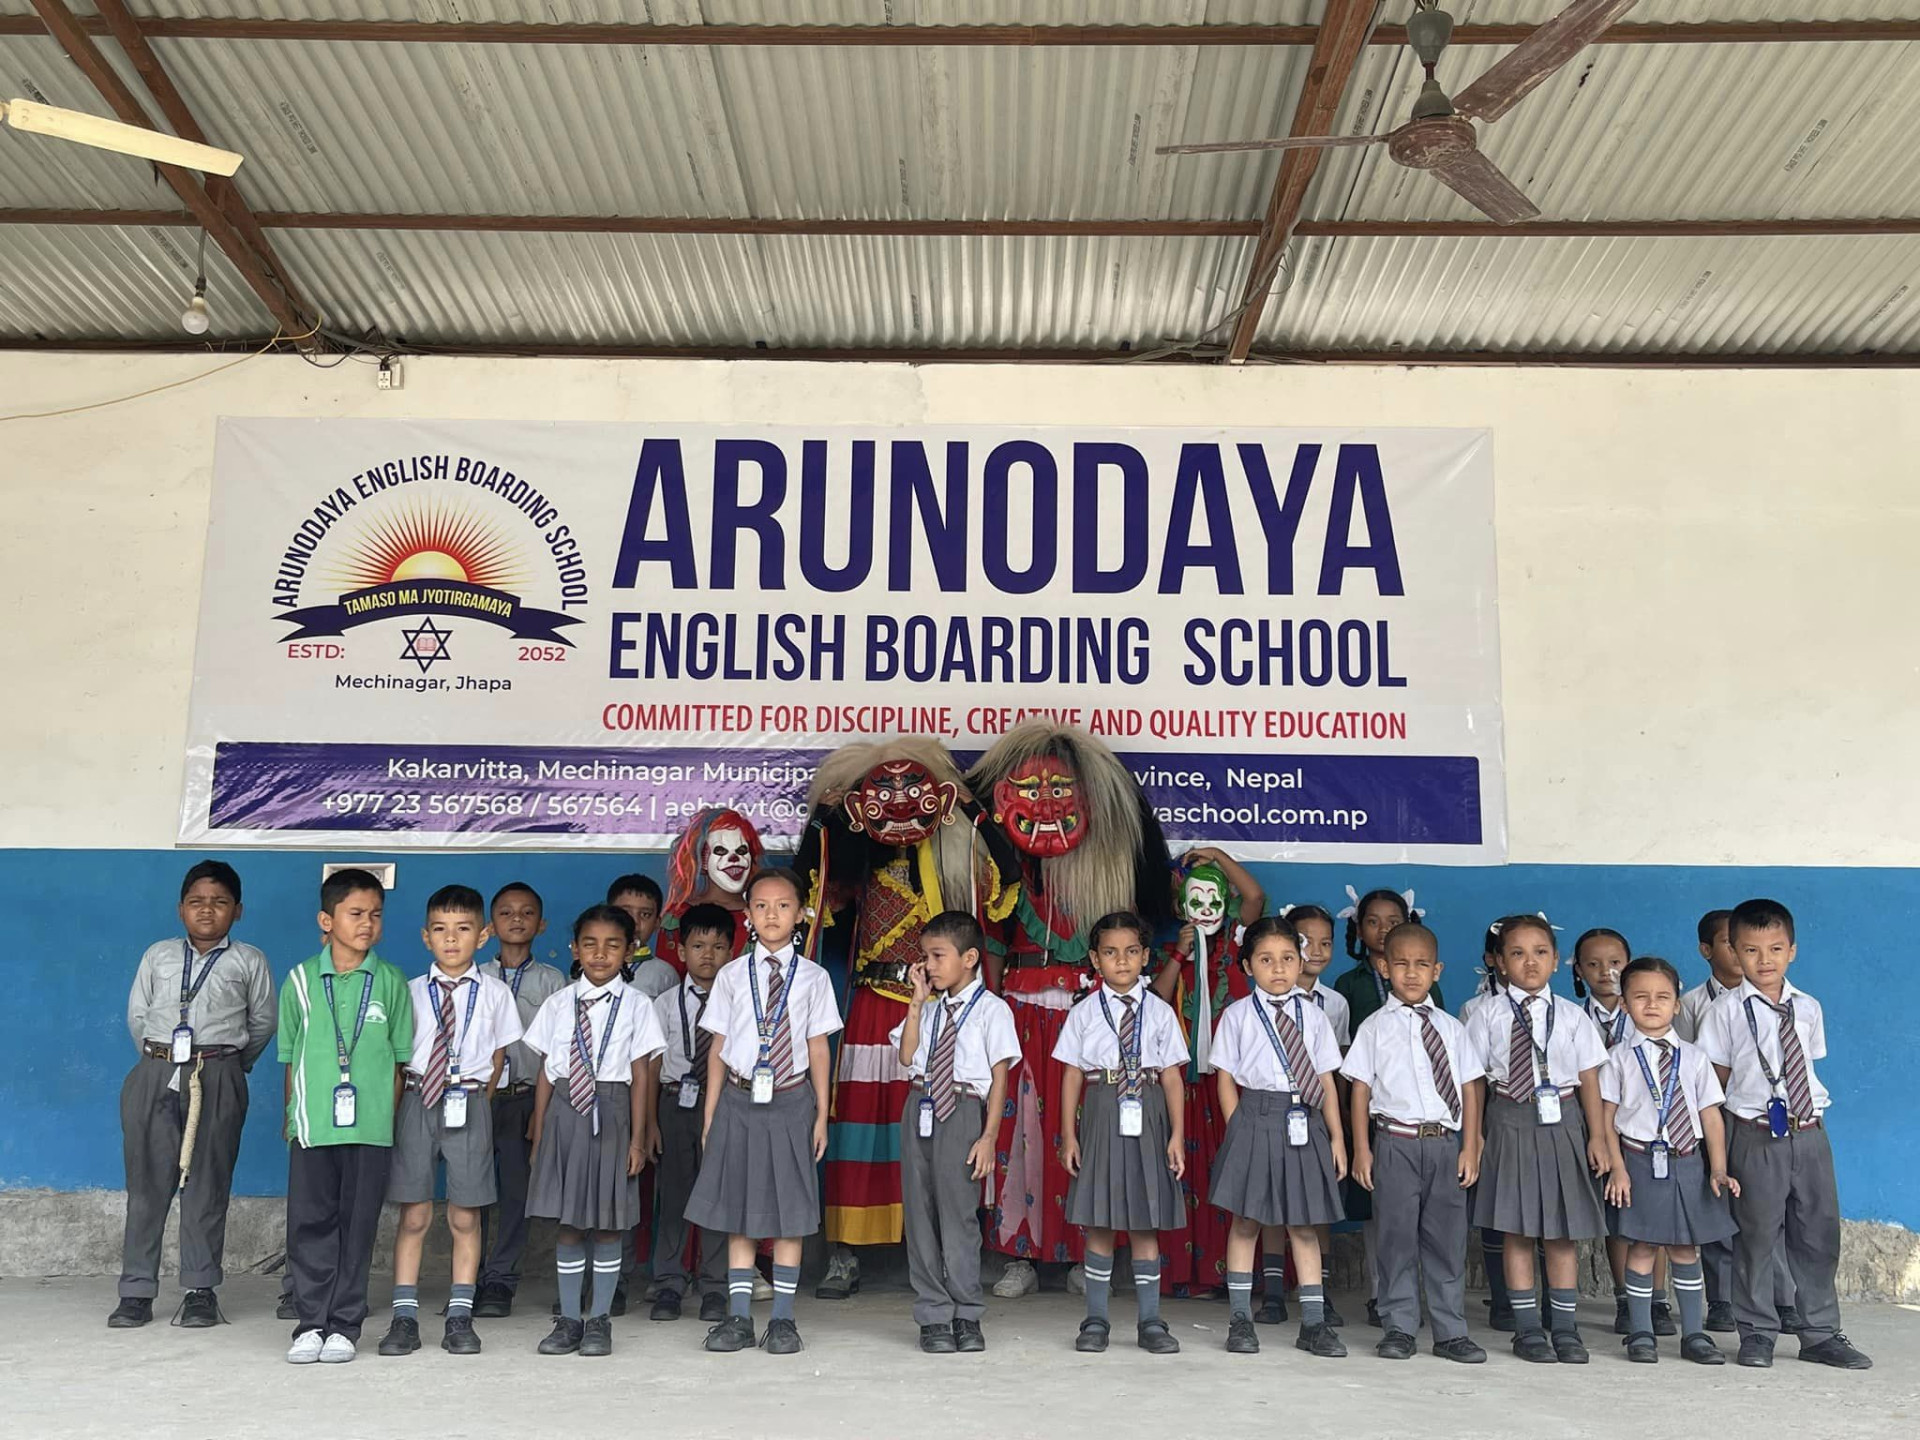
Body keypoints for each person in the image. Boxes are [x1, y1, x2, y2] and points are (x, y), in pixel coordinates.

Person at [796, 738, 1017, 1301]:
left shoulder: (955, 857)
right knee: (860, 1129)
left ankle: (943, 1257)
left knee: (941, 1133)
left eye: (912, 793)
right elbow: (808, 891)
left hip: (941, 1010)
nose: (900, 806)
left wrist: (971, 810)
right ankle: (845, 1252)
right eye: (885, 794)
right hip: (875, 1004)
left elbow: (1007, 884)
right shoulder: (856, 857)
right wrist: (827, 818)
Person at [965, 722, 1172, 1298]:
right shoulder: (1007, 867)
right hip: (1021, 1011)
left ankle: (1089, 1253)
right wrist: (989, 1009)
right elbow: (993, 943)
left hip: (1088, 1016)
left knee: (1085, 1129)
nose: (1049, 808)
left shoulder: (1112, 869)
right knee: (1020, 1132)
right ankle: (1019, 1253)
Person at [1699, 898, 1871, 1370]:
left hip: (1809, 1132)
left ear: (1792, 950)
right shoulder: (1724, 1012)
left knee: (1818, 1234)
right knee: (1755, 1237)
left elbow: (1808, 1065)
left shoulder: (1808, 1007)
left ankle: (1820, 1333)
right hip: (1753, 1134)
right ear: (1734, 951)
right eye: (1751, 950)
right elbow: (1714, 1084)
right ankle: (1756, 1332)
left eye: (1775, 949)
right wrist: (1717, 1149)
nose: (1764, 960)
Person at [111, 860, 275, 1330]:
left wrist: (229, 1067)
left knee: (208, 1183)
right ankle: (136, 1291)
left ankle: (200, 1290)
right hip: (157, 1070)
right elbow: (138, 1016)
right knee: (147, 1185)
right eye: (197, 902)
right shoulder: (158, 955)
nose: (207, 910)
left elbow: (263, 1022)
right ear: (181, 908)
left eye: (220, 902)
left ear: (237, 910)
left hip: (218, 1072)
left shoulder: (249, 960)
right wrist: (160, 1060)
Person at [688, 870, 842, 1356]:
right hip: (737, 1100)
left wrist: (821, 1113)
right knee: (740, 1211)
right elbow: (718, 1047)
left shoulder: (814, 978)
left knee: (790, 1213)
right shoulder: (732, 975)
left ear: (801, 914)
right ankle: (737, 1318)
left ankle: (782, 1320)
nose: (772, 914)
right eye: (761, 906)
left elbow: (818, 1047)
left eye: (783, 906)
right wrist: (711, 1114)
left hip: (792, 1099)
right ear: (748, 916)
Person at [375, 885, 522, 1357]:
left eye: (462, 929)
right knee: (414, 1214)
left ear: (483, 935)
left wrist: (477, 1100)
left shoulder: (496, 993)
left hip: (470, 1101)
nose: (451, 939)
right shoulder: (409, 991)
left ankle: (460, 1315)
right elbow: (398, 1058)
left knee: (465, 1214)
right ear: (426, 937)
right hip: (417, 1099)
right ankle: (404, 1317)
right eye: (440, 929)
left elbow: (498, 1059)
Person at [278, 868, 414, 1365]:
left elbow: (399, 1063)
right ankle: (310, 1324)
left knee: (358, 1226)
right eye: (355, 913)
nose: (367, 924)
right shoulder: (299, 980)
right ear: (326, 920)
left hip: (371, 1128)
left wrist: (386, 1121)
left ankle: (344, 1325)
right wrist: (293, 1117)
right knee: (310, 1223)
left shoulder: (391, 981)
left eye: (376, 914)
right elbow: (290, 1058)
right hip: (314, 1124)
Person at [522, 906, 666, 1357]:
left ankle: (600, 1319)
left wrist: (638, 1139)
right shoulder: (558, 1003)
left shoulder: (637, 1005)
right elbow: (546, 1072)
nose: (600, 954)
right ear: (574, 949)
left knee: (607, 1224)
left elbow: (641, 1075)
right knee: (568, 1223)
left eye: (612, 945)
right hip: (565, 1112)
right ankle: (569, 1319)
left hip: (614, 1110)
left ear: (630, 951)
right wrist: (539, 1132)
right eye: (590, 944)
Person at [1466, 914, 1609, 1364]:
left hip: (1563, 1120)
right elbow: (1473, 1083)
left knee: (1562, 1232)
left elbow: (1589, 1080)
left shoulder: (1572, 1016)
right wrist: (1475, 1138)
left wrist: (1598, 1137)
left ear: (1556, 960)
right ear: (1500, 962)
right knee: (1517, 1229)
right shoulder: (1485, 1015)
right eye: (1517, 953)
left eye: (1540, 952)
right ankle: (1527, 1329)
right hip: (1507, 1117)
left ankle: (1565, 1328)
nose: (1530, 962)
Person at [1344, 922, 1487, 1363]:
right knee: (1395, 1239)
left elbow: (1469, 1087)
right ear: (1384, 967)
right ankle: (1400, 1327)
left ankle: (1451, 1332)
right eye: (1401, 963)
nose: (1411, 973)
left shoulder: (1452, 1028)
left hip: (1444, 1144)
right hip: (1395, 1143)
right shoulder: (1374, 1028)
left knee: (1447, 1241)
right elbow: (1360, 1090)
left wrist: (1470, 1145)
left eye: (1422, 964)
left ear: (1437, 971)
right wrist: (1362, 1149)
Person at [1208, 917, 1348, 1359]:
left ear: (1300, 962)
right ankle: (1239, 1320)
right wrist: (1237, 1126)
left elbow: (1325, 1080)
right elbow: (1225, 1078)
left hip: (1305, 1119)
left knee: (1303, 1224)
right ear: (1248, 966)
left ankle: (1313, 1324)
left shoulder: (1315, 1016)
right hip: (1255, 1116)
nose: (1279, 968)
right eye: (1266, 960)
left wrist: (1337, 1138)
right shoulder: (1237, 1015)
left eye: (1288, 958)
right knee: (1246, 1221)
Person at [1054, 911, 1188, 1354]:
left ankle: (1151, 1322)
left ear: (1146, 956)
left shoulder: (1161, 1012)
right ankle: (1095, 1320)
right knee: (1100, 1218)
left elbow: (1172, 1077)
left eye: (1131, 952)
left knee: (1146, 1220)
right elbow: (1072, 1074)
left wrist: (1176, 1134)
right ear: (1095, 960)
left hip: (1148, 1111)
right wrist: (1069, 1135)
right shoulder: (1084, 1013)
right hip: (1101, 1107)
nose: (1122, 961)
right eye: (1110, 953)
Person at [892, 910, 1020, 1353]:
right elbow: (906, 1057)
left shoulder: (992, 1010)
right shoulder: (928, 1010)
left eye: (937, 956)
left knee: (959, 1215)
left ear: (969, 958)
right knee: (920, 1213)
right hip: (920, 1105)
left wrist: (989, 1136)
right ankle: (933, 1314)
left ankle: (966, 1312)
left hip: (963, 1109)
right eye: (925, 956)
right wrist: (915, 1003)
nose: (928, 965)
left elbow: (1000, 1078)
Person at [1601, 955, 1738, 1365]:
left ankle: (1694, 1334)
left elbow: (1710, 1116)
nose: (1652, 1004)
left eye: (1662, 997)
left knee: (1685, 1248)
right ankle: (1641, 1332)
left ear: (1677, 1005)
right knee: (1643, 1246)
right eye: (1640, 996)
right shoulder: (1618, 1058)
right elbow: (1606, 1120)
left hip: (1688, 1161)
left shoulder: (1694, 1058)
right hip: (1639, 1161)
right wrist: (1617, 1168)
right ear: (1624, 1003)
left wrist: (1718, 1167)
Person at [1676, 907, 1797, 1333]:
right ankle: (1723, 1298)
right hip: (1717, 1116)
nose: (1747, 954)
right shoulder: (1693, 1005)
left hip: (1767, 1120)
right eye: (1733, 944)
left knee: (1770, 1213)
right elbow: (1688, 1065)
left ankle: (1783, 1299)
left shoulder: (1789, 1003)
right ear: (1707, 950)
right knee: (1720, 1206)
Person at [1150, 849, 1262, 1297]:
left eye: (1214, 898)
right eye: (1195, 899)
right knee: (1186, 1174)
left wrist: (1217, 855)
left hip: (1230, 1080)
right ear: (1181, 906)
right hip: (1186, 1084)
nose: (1206, 908)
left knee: (1231, 1170)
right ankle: (1185, 1274)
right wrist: (1180, 953)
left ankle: (1231, 1274)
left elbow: (1254, 896)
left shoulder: (1238, 942)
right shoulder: (1170, 951)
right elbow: (1157, 1001)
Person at [475, 882, 567, 1318]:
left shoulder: (553, 982)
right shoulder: (474, 975)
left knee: (515, 1193)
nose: (517, 919)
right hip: (477, 1097)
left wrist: (542, 1115)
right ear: (490, 926)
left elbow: (555, 1051)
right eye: (506, 912)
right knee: (472, 1190)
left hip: (525, 1098)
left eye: (527, 913)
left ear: (541, 925)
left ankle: (500, 1280)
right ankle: (468, 1276)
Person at [1572, 926, 1668, 1337]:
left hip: (1643, 1132)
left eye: (1615, 963)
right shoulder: (1572, 1018)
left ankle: (1658, 1301)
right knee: (1618, 1217)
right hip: (1589, 1128)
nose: (1605, 972)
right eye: (1593, 964)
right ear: (1577, 970)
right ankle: (1626, 1298)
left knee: (1653, 1217)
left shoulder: (1650, 1015)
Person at [648, 903, 735, 1324]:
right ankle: (668, 1282)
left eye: (718, 947)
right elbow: (650, 1065)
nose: (708, 955)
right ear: (681, 951)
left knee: (718, 1193)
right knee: (674, 1193)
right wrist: (650, 1123)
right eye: (698, 946)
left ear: (731, 953)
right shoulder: (664, 1004)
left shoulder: (738, 1003)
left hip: (723, 1102)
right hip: (674, 1103)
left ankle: (715, 1286)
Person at [1270, 901, 1349, 1326]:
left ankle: (1319, 1294)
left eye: (1325, 943)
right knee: (1268, 1202)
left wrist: (1337, 1129)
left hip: (1315, 1114)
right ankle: (1272, 1292)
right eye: (1305, 941)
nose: (1315, 951)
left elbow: (1333, 1070)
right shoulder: (1262, 999)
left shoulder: (1334, 1005)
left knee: (1315, 1206)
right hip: (1271, 1112)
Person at [609, 874, 676, 998]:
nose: (634, 922)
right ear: (607, 916)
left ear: (657, 923)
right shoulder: (586, 967)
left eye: (645, 914)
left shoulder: (665, 974)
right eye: (625, 912)